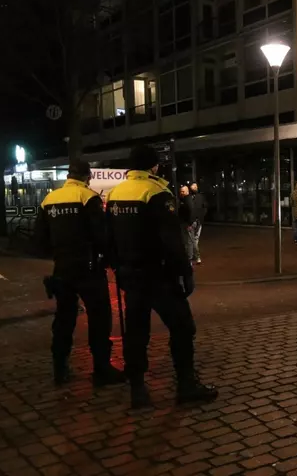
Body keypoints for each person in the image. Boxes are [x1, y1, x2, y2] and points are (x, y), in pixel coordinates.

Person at [106, 145, 217, 408]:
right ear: (154, 166)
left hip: (130, 276)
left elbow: (109, 237)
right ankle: (186, 385)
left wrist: (117, 267)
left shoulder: (115, 193)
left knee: (136, 332)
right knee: (182, 326)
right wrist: (185, 271)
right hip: (158, 275)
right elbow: (171, 239)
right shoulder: (156, 192)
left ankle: (137, 389)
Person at [34, 160, 125, 387]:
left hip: (62, 270)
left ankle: (60, 368)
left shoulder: (49, 199)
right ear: (87, 176)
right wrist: (114, 261)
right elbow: (101, 236)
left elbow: (40, 241)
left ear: (68, 176)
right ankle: (102, 369)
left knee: (64, 319)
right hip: (89, 270)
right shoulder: (88, 197)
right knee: (99, 318)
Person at [188, 183, 207, 264]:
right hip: (191, 221)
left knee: (195, 239)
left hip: (199, 221)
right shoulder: (188, 197)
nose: (195, 187)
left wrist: (201, 216)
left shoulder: (201, 197)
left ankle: (192, 256)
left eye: (196, 186)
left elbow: (205, 207)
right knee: (191, 240)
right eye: (193, 186)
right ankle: (195, 256)